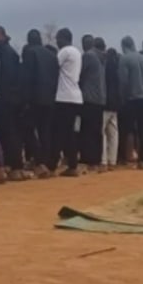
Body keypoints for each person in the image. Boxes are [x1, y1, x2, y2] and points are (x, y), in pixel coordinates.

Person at [0, 25, 26, 181]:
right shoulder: (2, 52)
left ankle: (15, 166)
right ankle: (11, 165)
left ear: (4, 36)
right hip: (6, 98)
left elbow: (8, 78)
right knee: (7, 132)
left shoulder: (7, 53)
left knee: (10, 132)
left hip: (8, 98)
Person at [20, 28, 59, 177]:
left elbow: (27, 78)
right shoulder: (51, 55)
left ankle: (38, 159)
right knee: (45, 131)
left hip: (34, 98)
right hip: (50, 98)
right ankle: (47, 163)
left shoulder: (30, 53)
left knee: (27, 129)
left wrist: (25, 100)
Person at [52, 27, 82, 177]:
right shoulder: (76, 52)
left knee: (59, 131)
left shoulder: (64, 52)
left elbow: (53, 66)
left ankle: (52, 164)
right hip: (75, 96)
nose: (57, 42)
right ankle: (72, 164)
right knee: (69, 132)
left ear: (64, 38)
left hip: (64, 96)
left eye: (58, 39)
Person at [118, 37, 143, 167]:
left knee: (129, 129)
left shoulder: (124, 59)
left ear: (123, 46)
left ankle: (130, 157)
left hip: (132, 98)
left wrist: (122, 97)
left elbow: (123, 81)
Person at [78, 35, 106, 172]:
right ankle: (96, 160)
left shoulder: (88, 56)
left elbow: (79, 74)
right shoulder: (101, 57)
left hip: (89, 98)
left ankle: (88, 160)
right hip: (100, 98)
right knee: (96, 131)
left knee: (87, 130)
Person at [95, 38, 120, 169]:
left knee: (102, 132)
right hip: (115, 103)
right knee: (114, 133)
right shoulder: (117, 66)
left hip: (105, 102)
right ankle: (112, 161)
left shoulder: (103, 65)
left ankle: (103, 161)